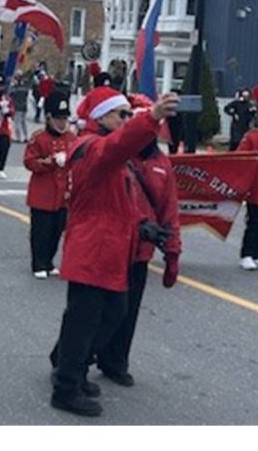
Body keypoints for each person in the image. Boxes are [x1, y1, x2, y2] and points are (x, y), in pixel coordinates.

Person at [49, 87, 179, 417]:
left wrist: (143, 226)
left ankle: (73, 371)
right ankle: (66, 388)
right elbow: (119, 147)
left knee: (109, 314)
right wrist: (151, 118)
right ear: (101, 116)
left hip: (107, 248)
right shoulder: (92, 147)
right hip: (93, 248)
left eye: (128, 114)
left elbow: (117, 204)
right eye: (121, 113)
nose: (126, 119)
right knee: (85, 320)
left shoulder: (101, 151)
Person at [94, 94, 182, 386]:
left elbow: (169, 210)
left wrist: (172, 254)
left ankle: (115, 361)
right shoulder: (116, 155)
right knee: (97, 309)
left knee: (128, 310)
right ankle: (72, 358)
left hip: (141, 251)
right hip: (113, 245)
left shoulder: (161, 163)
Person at [24, 90, 76, 278]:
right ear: (49, 118)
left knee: (57, 230)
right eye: (58, 118)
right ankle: (38, 263)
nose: (62, 122)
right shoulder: (39, 138)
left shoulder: (71, 139)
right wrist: (52, 161)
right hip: (43, 194)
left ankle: (49, 261)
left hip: (62, 195)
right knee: (41, 232)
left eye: (64, 118)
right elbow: (29, 162)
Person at [237, 97, 258, 271]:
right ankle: (247, 254)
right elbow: (239, 158)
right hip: (256, 189)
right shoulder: (252, 137)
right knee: (255, 222)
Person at [9, 73, 29, 143]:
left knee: (17, 123)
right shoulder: (25, 87)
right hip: (24, 106)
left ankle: (19, 138)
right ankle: (26, 136)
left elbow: (10, 94)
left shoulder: (15, 88)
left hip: (17, 107)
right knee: (23, 123)